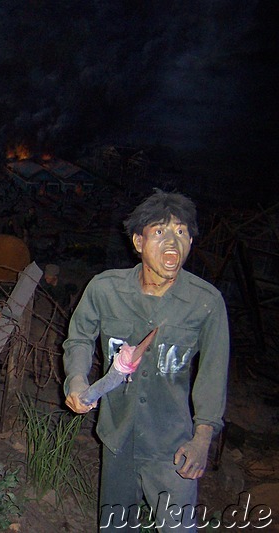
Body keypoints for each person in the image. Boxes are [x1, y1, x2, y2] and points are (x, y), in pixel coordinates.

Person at [62, 190, 229, 530]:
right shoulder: (104, 289)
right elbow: (79, 337)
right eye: (160, 232)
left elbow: (213, 373)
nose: (173, 242)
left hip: (173, 446)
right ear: (138, 242)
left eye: (182, 232)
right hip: (117, 438)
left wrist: (202, 438)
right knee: (115, 527)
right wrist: (77, 380)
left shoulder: (206, 302)